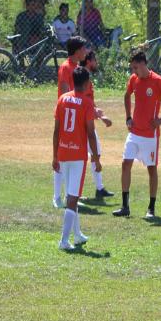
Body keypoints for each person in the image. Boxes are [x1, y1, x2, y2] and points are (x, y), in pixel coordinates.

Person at [113, 50, 161, 219]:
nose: (133, 71)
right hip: (134, 133)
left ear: (143, 64)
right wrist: (128, 117)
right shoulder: (134, 79)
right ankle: (125, 206)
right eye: (132, 68)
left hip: (150, 135)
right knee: (125, 164)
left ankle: (151, 208)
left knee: (151, 169)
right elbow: (127, 95)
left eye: (135, 67)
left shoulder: (157, 81)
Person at [52, 66, 101, 251]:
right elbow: (90, 133)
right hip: (78, 156)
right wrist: (96, 158)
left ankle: (78, 235)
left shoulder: (62, 99)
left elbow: (56, 131)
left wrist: (54, 155)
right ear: (88, 83)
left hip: (63, 153)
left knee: (71, 194)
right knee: (72, 198)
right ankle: (64, 241)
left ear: (73, 81)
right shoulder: (87, 103)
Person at [53, 37, 91, 208]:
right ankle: (57, 197)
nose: (86, 52)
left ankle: (71, 196)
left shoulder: (78, 68)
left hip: (75, 115)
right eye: (84, 49)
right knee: (63, 154)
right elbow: (63, 90)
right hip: (67, 115)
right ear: (76, 51)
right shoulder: (65, 67)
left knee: (69, 156)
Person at [80, 48, 115, 200]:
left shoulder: (84, 77)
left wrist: (98, 112)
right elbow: (83, 103)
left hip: (86, 120)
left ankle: (99, 188)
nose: (96, 62)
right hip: (83, 123)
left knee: (95, 153)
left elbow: (88, 103)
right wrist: (101, 117)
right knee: (91, 154)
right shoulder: (83, 79)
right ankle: (79, 192)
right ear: (89, 61)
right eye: (95, 60)